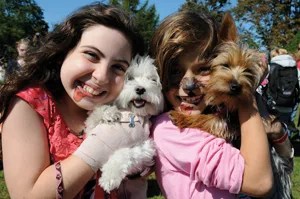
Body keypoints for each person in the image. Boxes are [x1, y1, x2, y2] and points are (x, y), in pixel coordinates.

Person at [0, 3, 146, 198]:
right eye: (92, 55)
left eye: (118, 67)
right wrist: (104, 142)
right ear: (64, 53)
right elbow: (28, 195)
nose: (101, 76)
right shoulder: (30, 104)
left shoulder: (120, 109)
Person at [149, 10, 275, 198]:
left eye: (204, 69)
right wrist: (246, 96)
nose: (189, 86)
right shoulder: (169, 129)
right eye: (175, 73)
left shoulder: (216, 109)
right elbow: (259, 182)